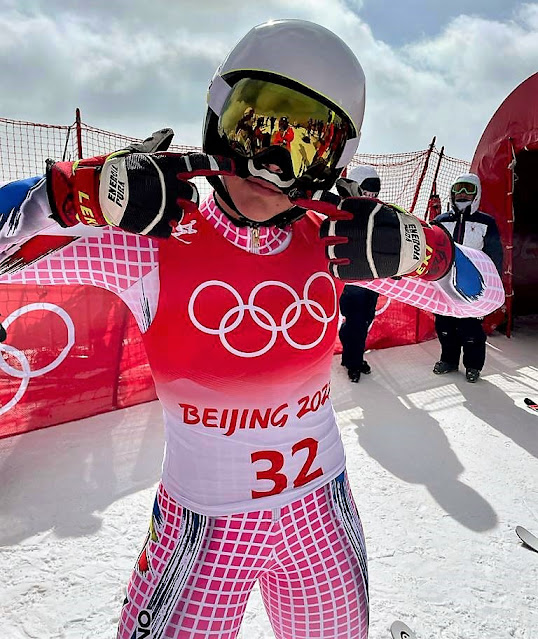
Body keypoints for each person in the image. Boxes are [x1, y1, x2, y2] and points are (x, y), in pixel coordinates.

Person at [0, 20, 504, 639]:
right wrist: (61, 197)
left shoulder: (337, 243)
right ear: (217, 117)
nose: (270, 165)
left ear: (333, 163)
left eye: (304, 148)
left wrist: (432, 251)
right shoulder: (153, 236)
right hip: (205, 528)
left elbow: (483, 295)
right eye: (256, 128)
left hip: (320, 512)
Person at [432, 173, 503, 383]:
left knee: (470, 328)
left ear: (477, 194)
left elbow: (494, 256)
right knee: (445, 325)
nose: (462, 194)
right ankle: (449, 360)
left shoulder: (485, 222)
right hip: (444, 283)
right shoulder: (441, 220)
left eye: (468, 190)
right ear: (452, 193)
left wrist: (491, 287)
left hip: (473, 286)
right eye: (458, 189)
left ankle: (473, 365)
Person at [336, 165, 382, 382]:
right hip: (351, 280)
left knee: (365, 320)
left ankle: (350, 354)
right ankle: (354, 362)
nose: (372, 193)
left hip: (373, 280)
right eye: (367, 188)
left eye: (375, 189)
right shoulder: (342, 211)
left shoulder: (379, 211)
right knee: (356, 321)